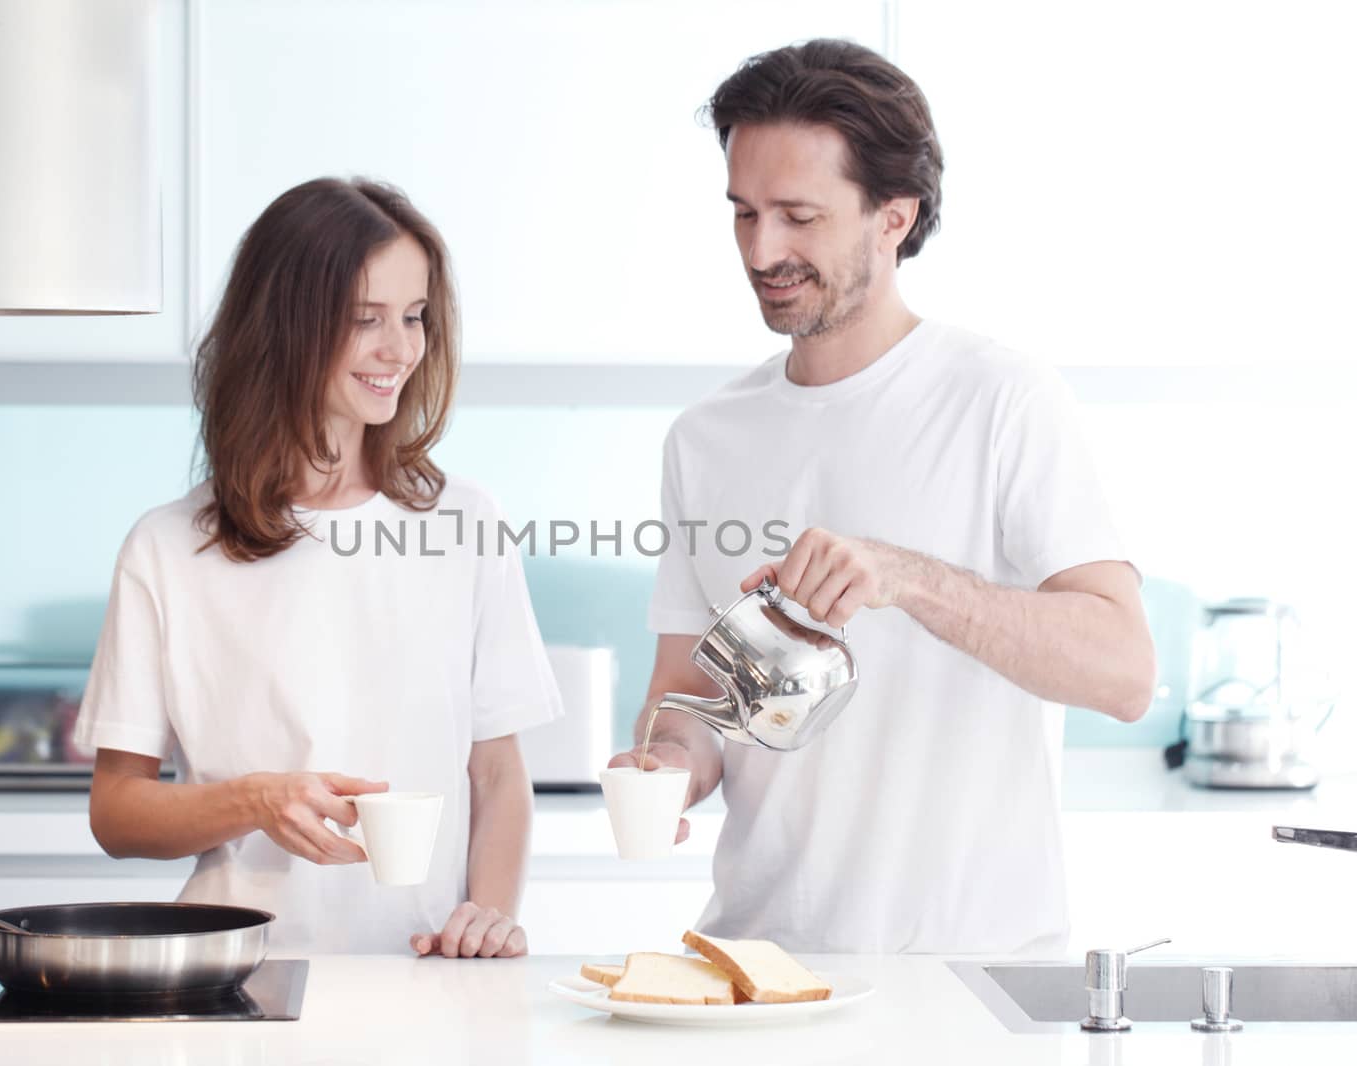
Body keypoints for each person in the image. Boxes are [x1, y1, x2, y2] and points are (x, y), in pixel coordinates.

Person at [611, 40, 1156, 955]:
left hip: (973, 978)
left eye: (798, 216)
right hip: (759, 967)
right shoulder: (705, 439)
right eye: (743, 213)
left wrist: (907, 578)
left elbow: (1125, 672)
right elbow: (688, 692)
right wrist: (667, 761)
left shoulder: (1001, 399)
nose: (761, 250)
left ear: (892, 218)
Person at [76, 178, 562, 958]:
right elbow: (118, 813)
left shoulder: (467, 522)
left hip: (429, 974)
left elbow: (498, 775)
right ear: (285, 327)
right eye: (364, 319)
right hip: (239, 978)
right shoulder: (168, 549)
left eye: (414, 317)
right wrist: (255, 800)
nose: (400, 349)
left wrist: (490, 916)